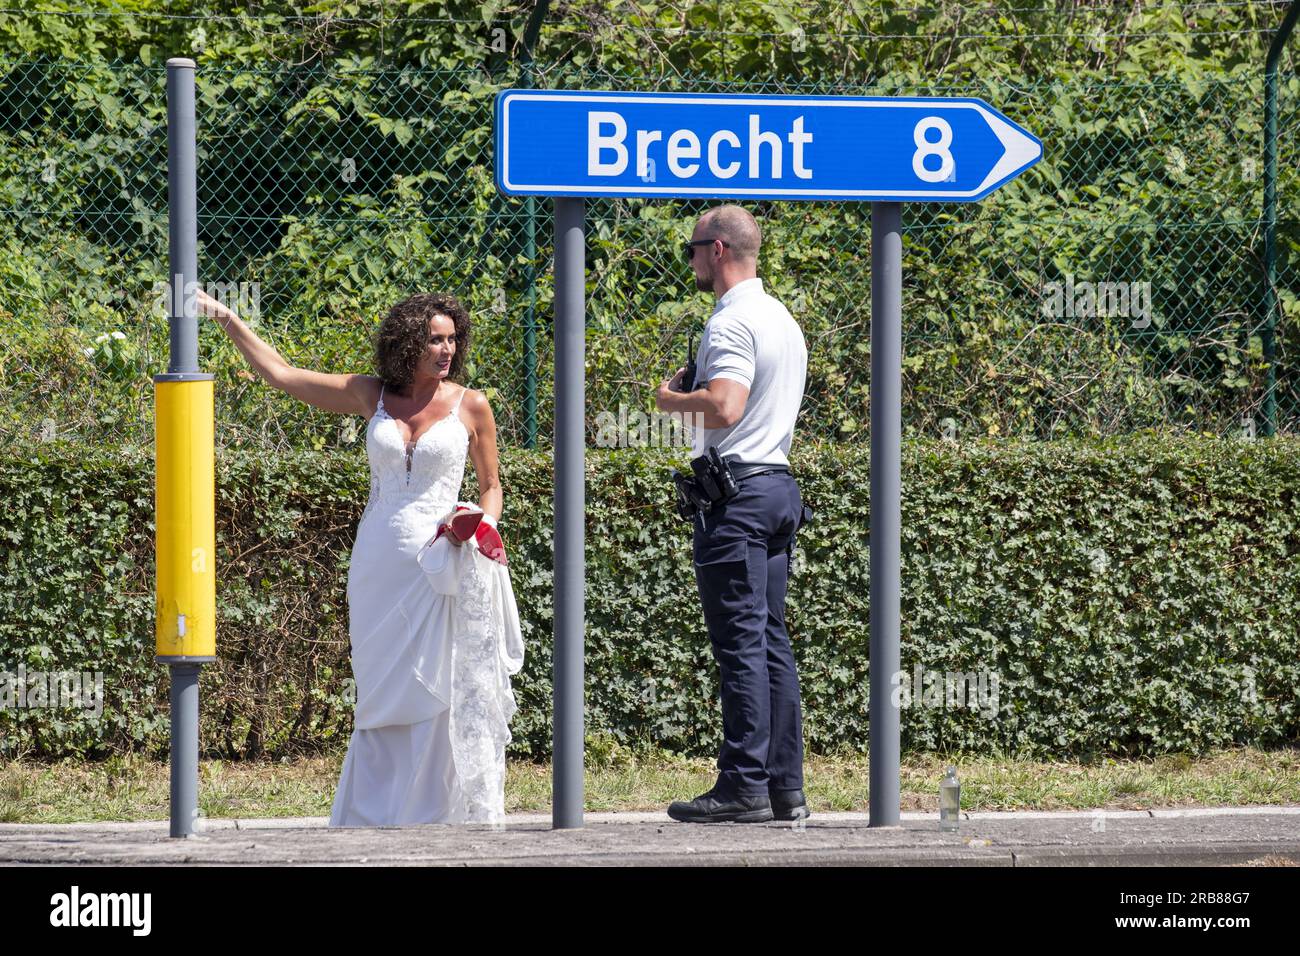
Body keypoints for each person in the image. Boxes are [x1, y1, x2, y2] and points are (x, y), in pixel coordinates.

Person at [196, 288, 524, 825]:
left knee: (436, 685)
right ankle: (373, 813)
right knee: (379, 691)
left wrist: (480, 528)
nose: (447, 349)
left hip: (440, 567)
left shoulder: (473, 405)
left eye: (452, 339)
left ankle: (433, 813)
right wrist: (230, 319)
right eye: (434, 340)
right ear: (406, 344)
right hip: (377, 564)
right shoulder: (370, 395)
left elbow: (492, 487)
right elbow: (282, 375)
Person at [654, 204, 812, 824]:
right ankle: (783, 788)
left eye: (692, 249)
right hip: (777, 486)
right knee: (771, 641)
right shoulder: (782, 319)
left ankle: (742, 786)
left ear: (717, 250)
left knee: (741, 643)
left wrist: (671, 401)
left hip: (739, 497)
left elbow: (723, 407)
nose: (690, 260)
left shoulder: (731, 323)